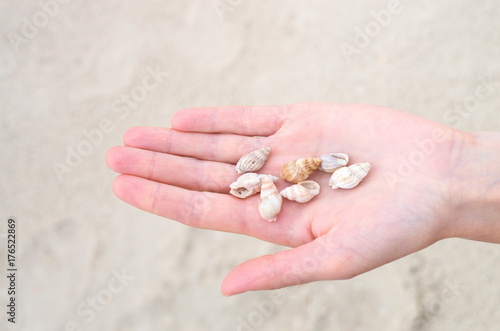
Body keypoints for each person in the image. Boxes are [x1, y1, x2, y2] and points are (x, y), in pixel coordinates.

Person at [105, 102, 500, 296]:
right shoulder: (282, 179)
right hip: (292, 180)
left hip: (298, 179)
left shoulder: (298, 177)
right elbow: (292, 179)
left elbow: (304, 177)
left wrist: (450, 175)